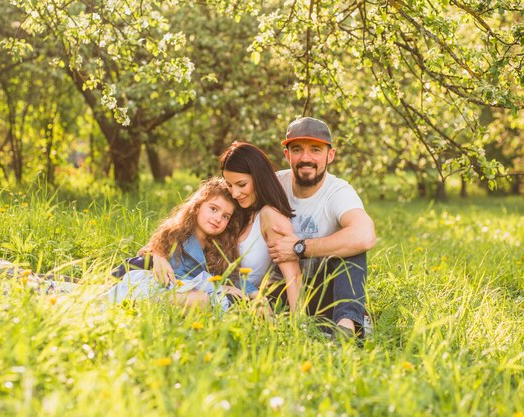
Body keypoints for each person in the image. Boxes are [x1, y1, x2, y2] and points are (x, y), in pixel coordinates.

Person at [266, 117, 376, 337]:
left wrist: (300, 247)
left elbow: (365, 236)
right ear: (287, 155)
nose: (306, 158)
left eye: (315, 150)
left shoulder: (338, 192)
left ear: (330, 155)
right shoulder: (274, 185)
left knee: (353, 250)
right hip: (282, 290)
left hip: (326, 289)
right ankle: (324, 326)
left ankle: (346, 328)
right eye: (297, 150)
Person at [108, 177, 258, 311]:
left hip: (185, 294)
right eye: (213, 209)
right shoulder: (176, 233)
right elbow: (149, 253)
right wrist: (158, 256)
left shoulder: (221, 247)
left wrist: (257, 295)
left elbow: (234, 277)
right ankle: (135, 300)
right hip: (160, 286)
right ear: (198, 206)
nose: (218, 218)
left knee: (209, 301)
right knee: (202, 300)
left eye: (225, 216)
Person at [219, 142, 302, 312]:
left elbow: (293, 275)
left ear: (259, 178)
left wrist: (298, 325)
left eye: (241, 185)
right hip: (199, 281)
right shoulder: (234, 208)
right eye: (229, 185)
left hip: (235, 298)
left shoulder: (270, 216)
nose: (235, 193)